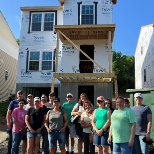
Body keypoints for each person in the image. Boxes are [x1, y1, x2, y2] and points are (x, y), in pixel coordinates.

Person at [6, 90, 27, 154]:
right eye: (19, 94)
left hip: (22, 126)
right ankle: (9, 152)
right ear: (17, 95)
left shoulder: (25, 103)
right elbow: (9, 113)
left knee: (18, 142)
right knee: (12, 141)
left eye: (21, 94)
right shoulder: (13, 102)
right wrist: (8, 122)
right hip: (13, 124)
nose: (20, 95)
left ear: (23, 95)